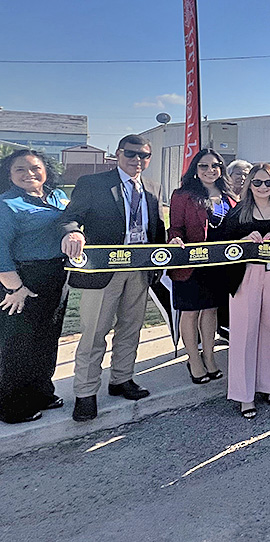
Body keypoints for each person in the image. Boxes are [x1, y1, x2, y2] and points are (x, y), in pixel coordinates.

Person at [60, 134, 165, 423]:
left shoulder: (152, 187)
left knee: (131, 329)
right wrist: (74, 231)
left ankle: (121, 379)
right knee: (94, 332)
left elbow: (156, 227)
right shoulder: (93, 184)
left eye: (143, 155)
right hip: (104, 270)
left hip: (139, 268)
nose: (137, 160)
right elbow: (71, 216)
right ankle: (85, 393)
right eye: (131, 154)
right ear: (118, 154)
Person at [215, 163, 270, 418]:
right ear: (249, 184)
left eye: (268, 182)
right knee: (244, 334)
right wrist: (242, 242)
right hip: (246, 276)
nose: (263, 187)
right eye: (257, 182)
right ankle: (244, 395)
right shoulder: (238, 212)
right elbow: (222, 245)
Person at [0, 150, 70, 424]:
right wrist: (14, 288)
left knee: (47, 336)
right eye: (20, 170)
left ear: (46, 170)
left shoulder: (58, 197)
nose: (29, 174)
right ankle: (11, 405)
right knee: (18, 343)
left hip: (55, 274)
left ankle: (41, 392)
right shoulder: (7, 204)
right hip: (21, 279)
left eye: (35, 168)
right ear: (9, 174)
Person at [167, 149, 236, 384]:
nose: (210, 170)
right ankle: (193, 360)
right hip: (191, 264)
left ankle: (209, 357)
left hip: (219, 266)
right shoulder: (183, 195)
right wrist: (174, 240)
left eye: (215, 165)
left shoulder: (230, 196)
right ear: (195, 170)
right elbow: (175, 227)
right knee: (191, 311)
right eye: (204, 166)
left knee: (211, 310)